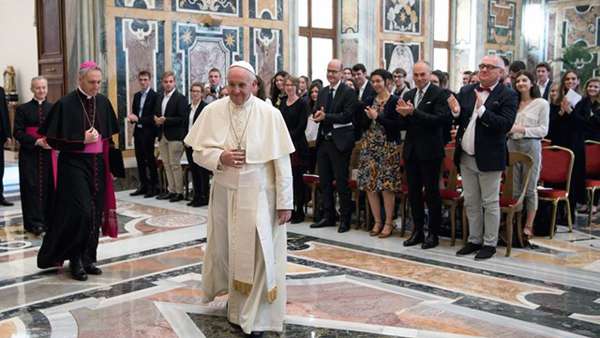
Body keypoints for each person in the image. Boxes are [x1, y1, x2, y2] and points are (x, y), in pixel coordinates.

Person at [184, 61, 294, 337]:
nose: (235, 91)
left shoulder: (270, 115)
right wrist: (219, 157)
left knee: (259, 257)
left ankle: (254, 317)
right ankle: (237, 308)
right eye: (231, 85)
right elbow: (197, 152)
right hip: (225, 194)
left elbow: (282, 162)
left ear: (254, 85)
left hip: (260, 196)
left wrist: (285, 202)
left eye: (241, 85)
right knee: (230, 252)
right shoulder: (212, 111)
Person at [37, 61, 120, 281]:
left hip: (97, 165)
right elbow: (52, 139)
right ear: (80, 80)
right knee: (80, 212)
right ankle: (74, 259)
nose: (96, 86)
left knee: (94, 212)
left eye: (99, 82)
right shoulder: (66, 103)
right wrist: (80, 138)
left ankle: (88, 258)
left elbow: (108, 138)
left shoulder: (102, 102)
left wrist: (111, 165)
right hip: (73, 164)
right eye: (92, 82)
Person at [448, 55, 517, 260]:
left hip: (490, 156)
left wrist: (483, 110)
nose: (484, 70)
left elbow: (504, 124)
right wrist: (455, 111)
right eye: (481, 66)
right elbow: (461, 118)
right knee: (471, 201)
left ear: (500, 72)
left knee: (489, 202)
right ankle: (474, 239)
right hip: (466, 155)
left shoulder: (508, 95)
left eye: (489, 67)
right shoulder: (467, 90)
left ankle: (489, 243)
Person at [397, 62, 452, 249]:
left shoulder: (439, 94)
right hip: (411, 150)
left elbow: (439, 120)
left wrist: (414, 112)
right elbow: (404, 124)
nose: (419, 78)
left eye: (423, 74)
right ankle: (417, 230)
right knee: (413, 193)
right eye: (416, 75)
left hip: (430, 151)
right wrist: (402, 115)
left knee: (431, 193)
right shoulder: (409, 94)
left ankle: (433, 233)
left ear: (429, 74)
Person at [310, 59, 357, 233]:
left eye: (334, 72)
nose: (331, 74)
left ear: (341, 73)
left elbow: (347, 116)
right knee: (325, 182)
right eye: (328, 71)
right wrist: (317, 115)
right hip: (324, 141)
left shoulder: (348, 92)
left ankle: (344, 219)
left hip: (340, 143)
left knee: (341, 182)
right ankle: (328, 216)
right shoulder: (323, 91)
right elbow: (317, 110)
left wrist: (326, 117)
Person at [356, 69, 402, 238]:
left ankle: (388, 222)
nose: (375, 84)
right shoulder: (368, 100)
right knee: (370, 185)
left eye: (378, 81)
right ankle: (377, 221)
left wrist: (377, 117)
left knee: (386, 186)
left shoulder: (395, 101)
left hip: (387, 147)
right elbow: (361, 125)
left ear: (387, 82)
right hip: (369, 146)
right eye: (373, 81)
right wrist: (368, 118)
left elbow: (396, 126)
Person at [507, 71, 549, 239]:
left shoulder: (541, 103)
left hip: (531, 144)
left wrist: (521, 129)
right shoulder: (513, 102)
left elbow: (543, 130)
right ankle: (515, 222)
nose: (521, 83)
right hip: (512, 144)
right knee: (514, 188)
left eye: (524, 80)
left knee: (530, 188)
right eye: (518, 81)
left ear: (532, 83)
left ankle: (528, 225)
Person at [13, 76, 54, 235]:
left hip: (49, 154)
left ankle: (48, 221)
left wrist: (52, 141)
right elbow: (17, 132)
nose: (41, 90)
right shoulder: (22, 109)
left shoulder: (54, 108)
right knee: (31, 187)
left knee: (49, 186)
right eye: (38, 88)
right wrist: (36, 141)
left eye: (44, 87)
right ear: (32, 89)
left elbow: (58, 129)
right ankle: (33, 223)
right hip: (29, 154)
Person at [548, 70, 584, 218]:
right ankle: (556, 214)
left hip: (575, 144)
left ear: (578, 81)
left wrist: (570, 111)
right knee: (557, 178)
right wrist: (561, 112)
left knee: (573, 178)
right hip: (559, 143)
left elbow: (583, 124)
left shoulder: (584, 101)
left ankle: (570, 214)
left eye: (573, 79)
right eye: (567, 79)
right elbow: (551, 125)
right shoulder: (557, 101)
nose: (570, 81)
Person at [154, 71, 188, 202]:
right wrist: (156, 119)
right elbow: (157, 113)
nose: (168, 84)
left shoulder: (181, 98)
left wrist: (165, 120)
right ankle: (171, 190)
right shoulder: (159, 97)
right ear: (162, 83)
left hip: (175, 136)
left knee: (175, 165)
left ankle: (179, 192)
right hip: (162, 135)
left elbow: (182, 119)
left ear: (174, 82)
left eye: (170, 81)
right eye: (166, 82)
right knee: (166, 164)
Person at [280, 75, 310, 223]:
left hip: (297, 145)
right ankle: (288, 208)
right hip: (284, 145)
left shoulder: (303, 103)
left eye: (291, 85)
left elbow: (301, 126)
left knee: (298, 179)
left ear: (297, 87)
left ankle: (299, 210)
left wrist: (287, 138)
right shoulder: (283, 102)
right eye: (287, 85)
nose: (289, 87)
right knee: (287, 178)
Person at [127, 70, 159, 197]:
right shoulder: (137, 96)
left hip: (149, 132)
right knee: (139, 160)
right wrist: (131, 118)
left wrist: (139, 119)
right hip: (138, 132)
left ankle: (154, 186)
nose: (143, 82)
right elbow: (135, 113)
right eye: (141, 80)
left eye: (145, 79)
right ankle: (143, 185)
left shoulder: (155, 96)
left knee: (150, 160)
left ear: (149, 80)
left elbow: (153, 116)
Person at [184, 82, 209, 207]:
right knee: (193, 171)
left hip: (200, 144)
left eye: (197, 91)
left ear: (202, 93)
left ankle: (204, 196)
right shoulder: (188, 107)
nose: (195, 93)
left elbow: (205, 127)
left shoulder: (205, 107)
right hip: (189, 144)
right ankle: (196, 196)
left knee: (201, 171)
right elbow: (185, 125)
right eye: (193, 91)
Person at [0, 85, 13, 206]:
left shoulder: (0, 90)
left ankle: (0, 195)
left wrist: (8, 134)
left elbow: (4, 113)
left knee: (0, 167)